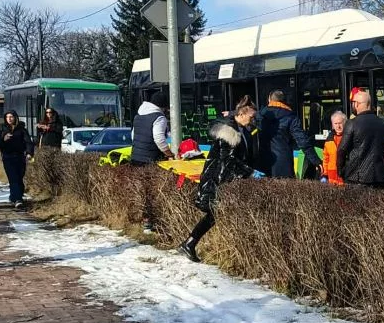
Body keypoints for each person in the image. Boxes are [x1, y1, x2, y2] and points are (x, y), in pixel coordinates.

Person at [179, 103, 258, 262]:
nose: (252, 120)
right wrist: (250, 172)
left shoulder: (240, 130)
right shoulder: (228, 133)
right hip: (218, 180)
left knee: (215, 214)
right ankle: (190, 243)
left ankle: (190, 243)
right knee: (215, 213)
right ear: (241, 114)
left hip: (223, 179)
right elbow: (227, 160)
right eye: (251, 117)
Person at [256, 90, 320, 178]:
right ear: (284, 101)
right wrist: (315, 160)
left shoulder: (260, 116)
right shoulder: (290, 117)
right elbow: (302, 141)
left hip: (262, 164)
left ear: (269, 99)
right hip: (284, 165)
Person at [337, 89, 384, 187]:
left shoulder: (351, 123)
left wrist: (341, 171)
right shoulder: (383, 123)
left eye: (353, 102)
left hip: (356, 178)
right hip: (379, 178)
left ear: (357, 104)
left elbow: (341, 149)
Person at [0, 110, 33, 210]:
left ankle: (14, 197)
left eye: (11, 117)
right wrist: (4, 139)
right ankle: (18, 200)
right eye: (7, 117)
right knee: (13, 178)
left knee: (19, 178)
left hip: (20, 156)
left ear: (15, 117)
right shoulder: (1, 129)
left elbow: (28, 142)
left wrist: (29, 153)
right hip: (8, 156)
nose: (9, 119)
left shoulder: (22, 129)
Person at [131, 91, 174, 166]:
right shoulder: (159, 118)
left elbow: (133, 136)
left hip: (135, 158)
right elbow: (159, 139)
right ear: (163, 106)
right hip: (150, 160)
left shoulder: (138, 116)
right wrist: (169, 154)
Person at [321, 111, 346, 185]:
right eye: (336, 124)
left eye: (340, 123)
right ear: (332, 125)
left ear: (345, 123)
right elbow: (325, 158)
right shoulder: (329, 140)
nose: (338, 126)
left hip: (345, 175)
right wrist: (325, 174)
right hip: (331, 176)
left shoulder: (349, 138)